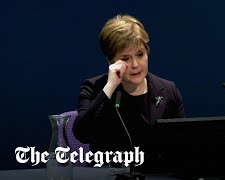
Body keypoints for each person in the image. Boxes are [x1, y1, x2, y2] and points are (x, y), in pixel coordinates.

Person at [72, 14, 185, 172]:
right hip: (108, 175)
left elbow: (182, 146)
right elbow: (81, 133)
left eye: (140, 54)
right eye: (125, 58)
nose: (135, 64)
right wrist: (110, 88)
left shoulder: (168, 90)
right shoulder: (94, 88)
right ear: (110, 61)